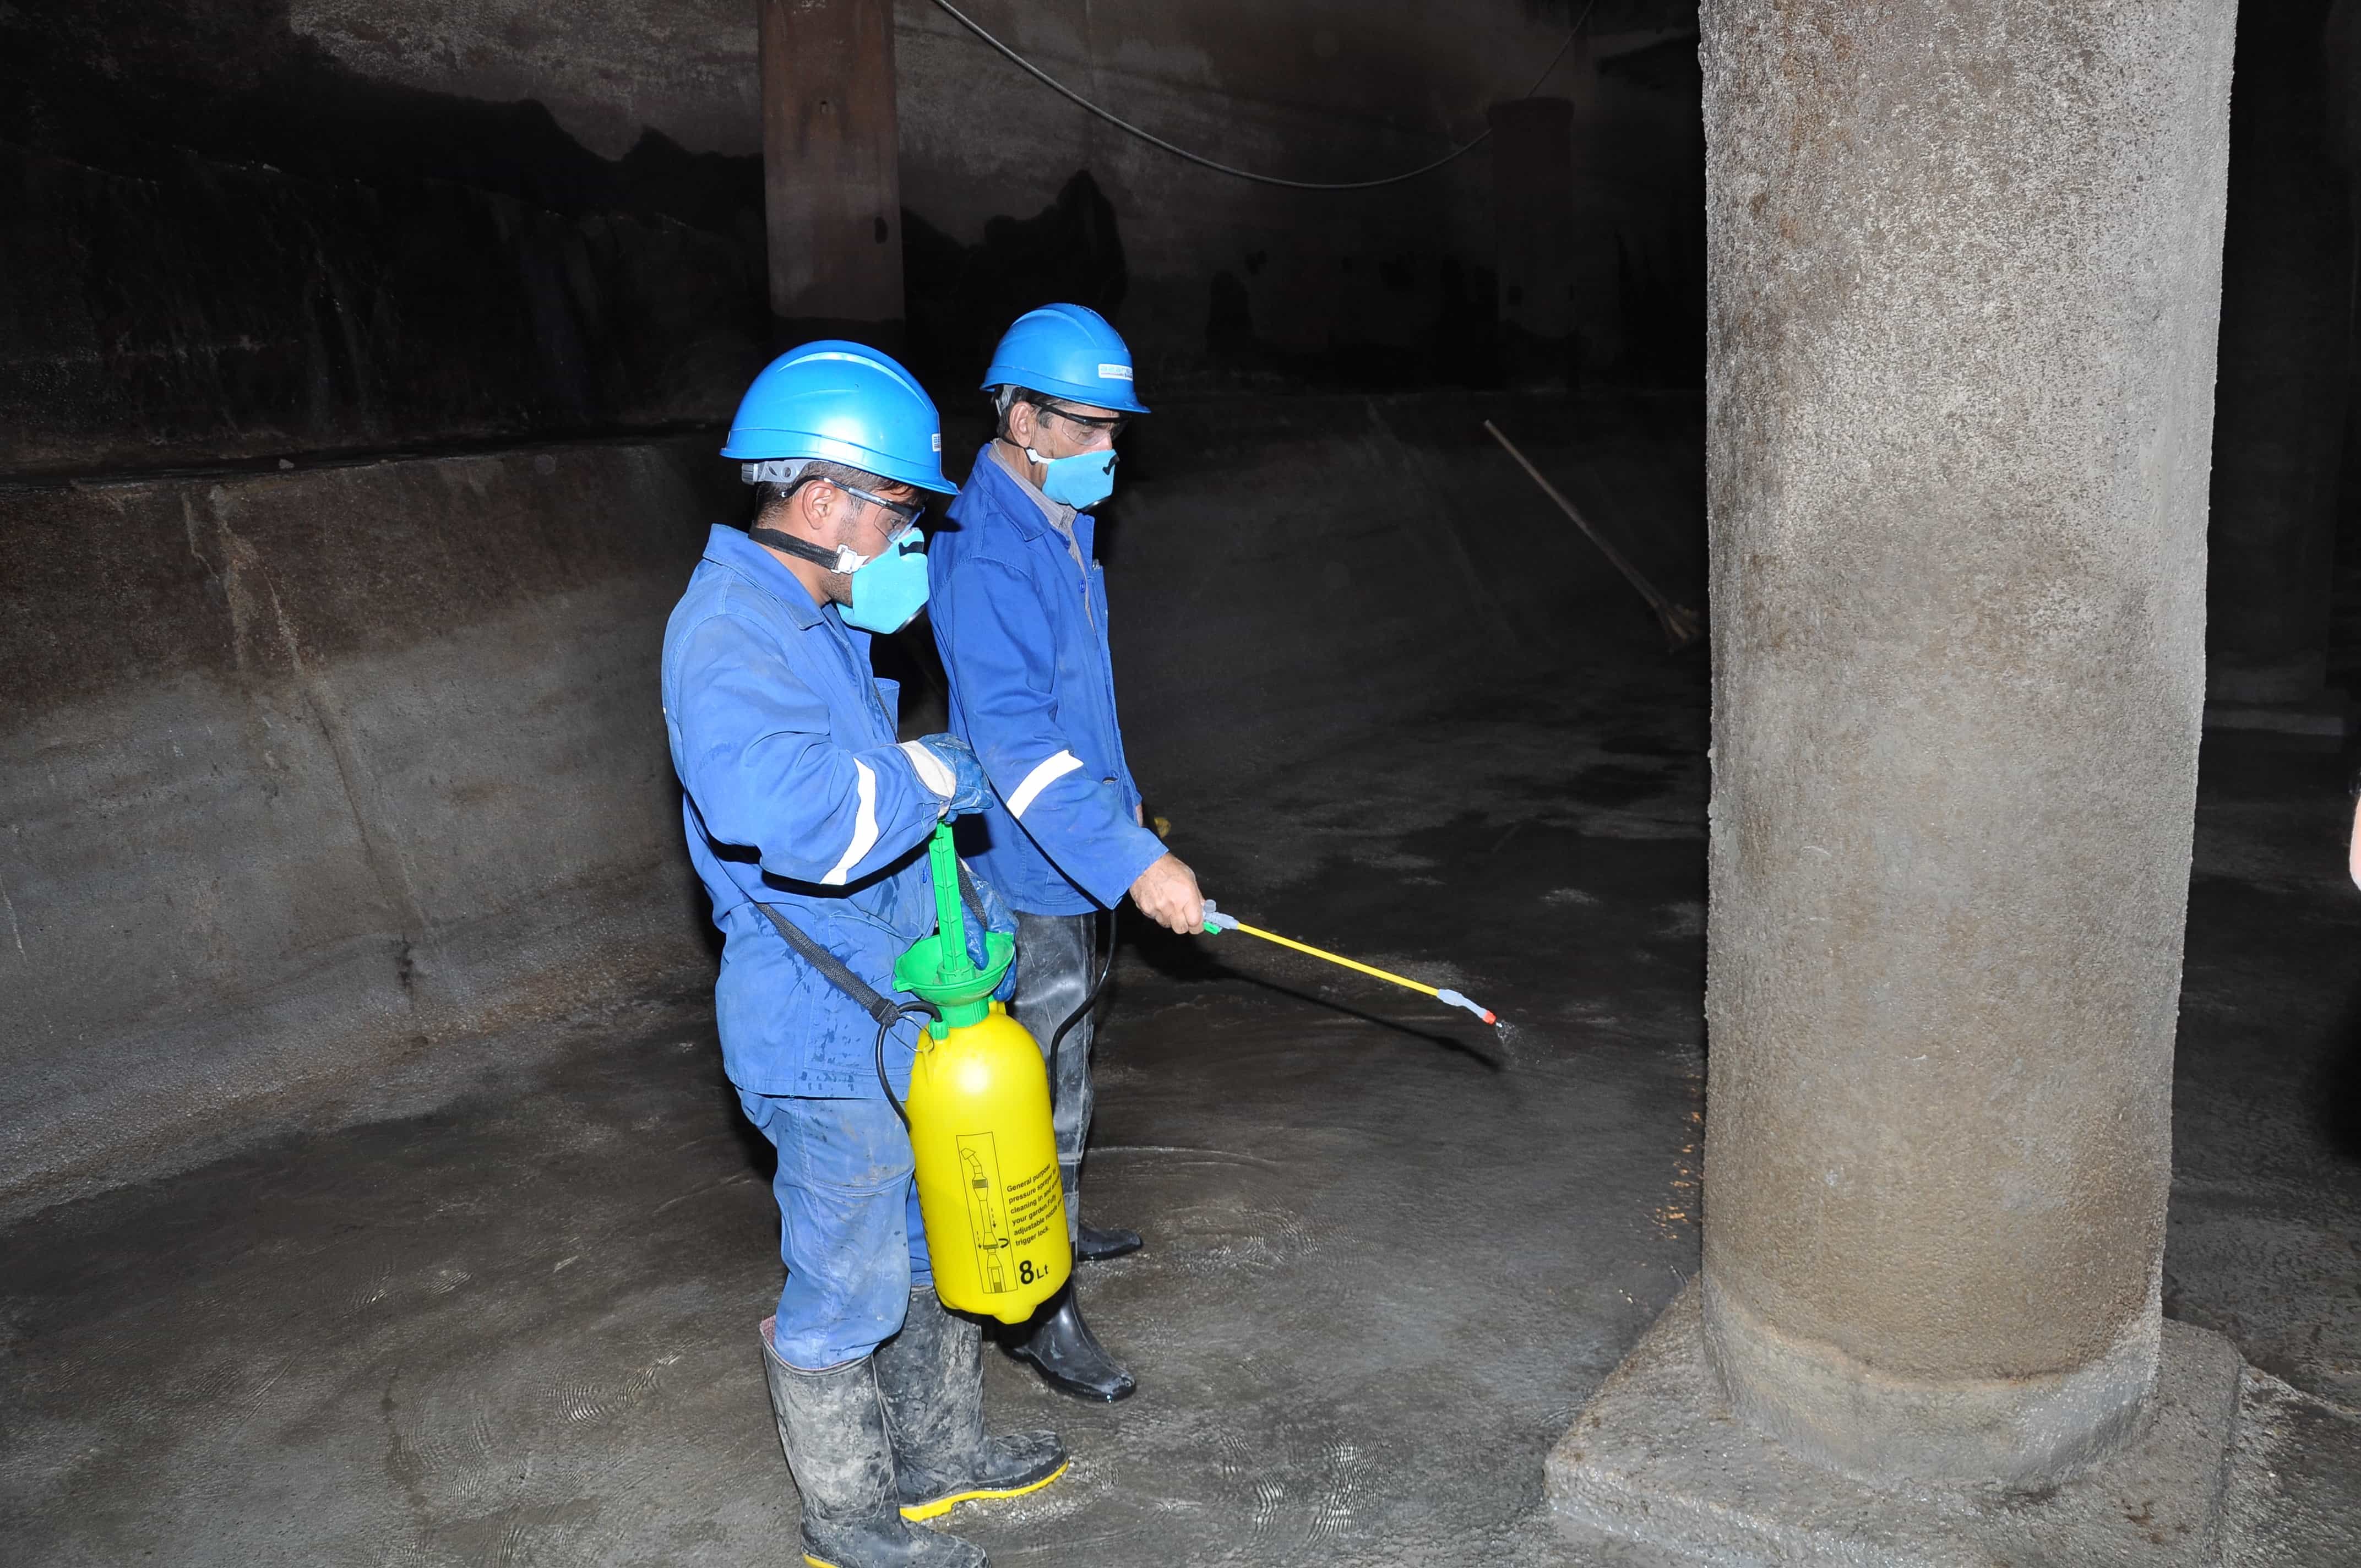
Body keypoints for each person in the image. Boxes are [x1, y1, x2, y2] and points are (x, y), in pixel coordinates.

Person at [662, 341, 1065, 1568]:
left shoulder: (813, 613)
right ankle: (845, 1516)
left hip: (893, 1010)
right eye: (901, 510)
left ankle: (939, 1461)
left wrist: (967, 910)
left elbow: (886, 829)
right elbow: (798, 816)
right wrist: (937, 771)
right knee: (844, 1283)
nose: (911, 539)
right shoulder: (728, 632)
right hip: (817, 1031)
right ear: (826, 500)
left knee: (931, 1240)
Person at [926, 304, 1208, 1403]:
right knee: (1025, 1081)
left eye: (1114, 430)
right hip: (1027, 862)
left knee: (1071, 1047)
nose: (1107, 451)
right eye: (1087, 428)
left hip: (1078, 848)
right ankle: (1038, 1309)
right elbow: (1014, 738)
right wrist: (1130, 854)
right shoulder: (987, 547)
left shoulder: (1058, 511)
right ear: (1021, 417)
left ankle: (1067, 1222)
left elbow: (1081, 704)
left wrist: (1123, 823)